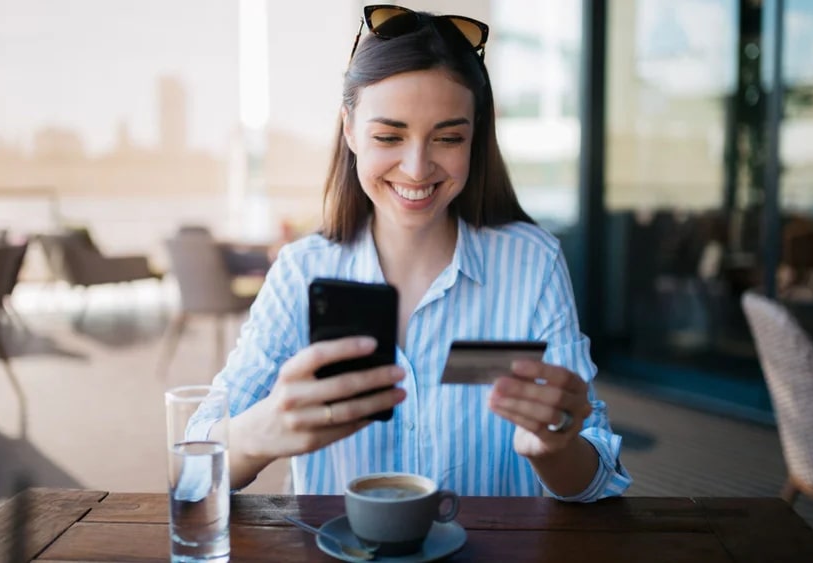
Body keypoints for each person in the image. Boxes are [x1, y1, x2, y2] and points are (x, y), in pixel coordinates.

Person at [201, 4, 631, 500]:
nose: (416, 167)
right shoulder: (302, 271)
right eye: (389, 136)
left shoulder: (533, 263)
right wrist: (259, 434)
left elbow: (599, 476)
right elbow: (189, 469)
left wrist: (554, 450)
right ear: (350, 130)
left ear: (476, 138)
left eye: (448, 138)